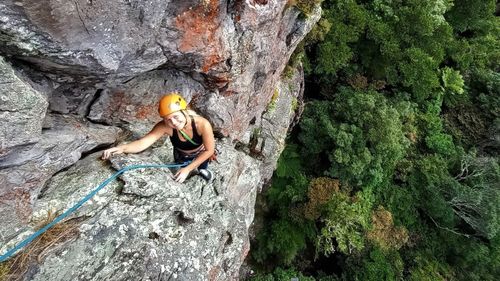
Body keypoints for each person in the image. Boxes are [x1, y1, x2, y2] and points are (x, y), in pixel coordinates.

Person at [101, 93, 215, 183]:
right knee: (182, 164)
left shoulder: (202, 124)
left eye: (176, 116)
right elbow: (143, 143)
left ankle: (202, 171)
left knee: (201, 166)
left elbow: (209, 150)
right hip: (182, 153)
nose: (174, 122)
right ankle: (185, 168)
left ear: (184, 111)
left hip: (201, 152)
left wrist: (188, 169)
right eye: (168, 119)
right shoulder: (164, 126)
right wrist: (121, 149)